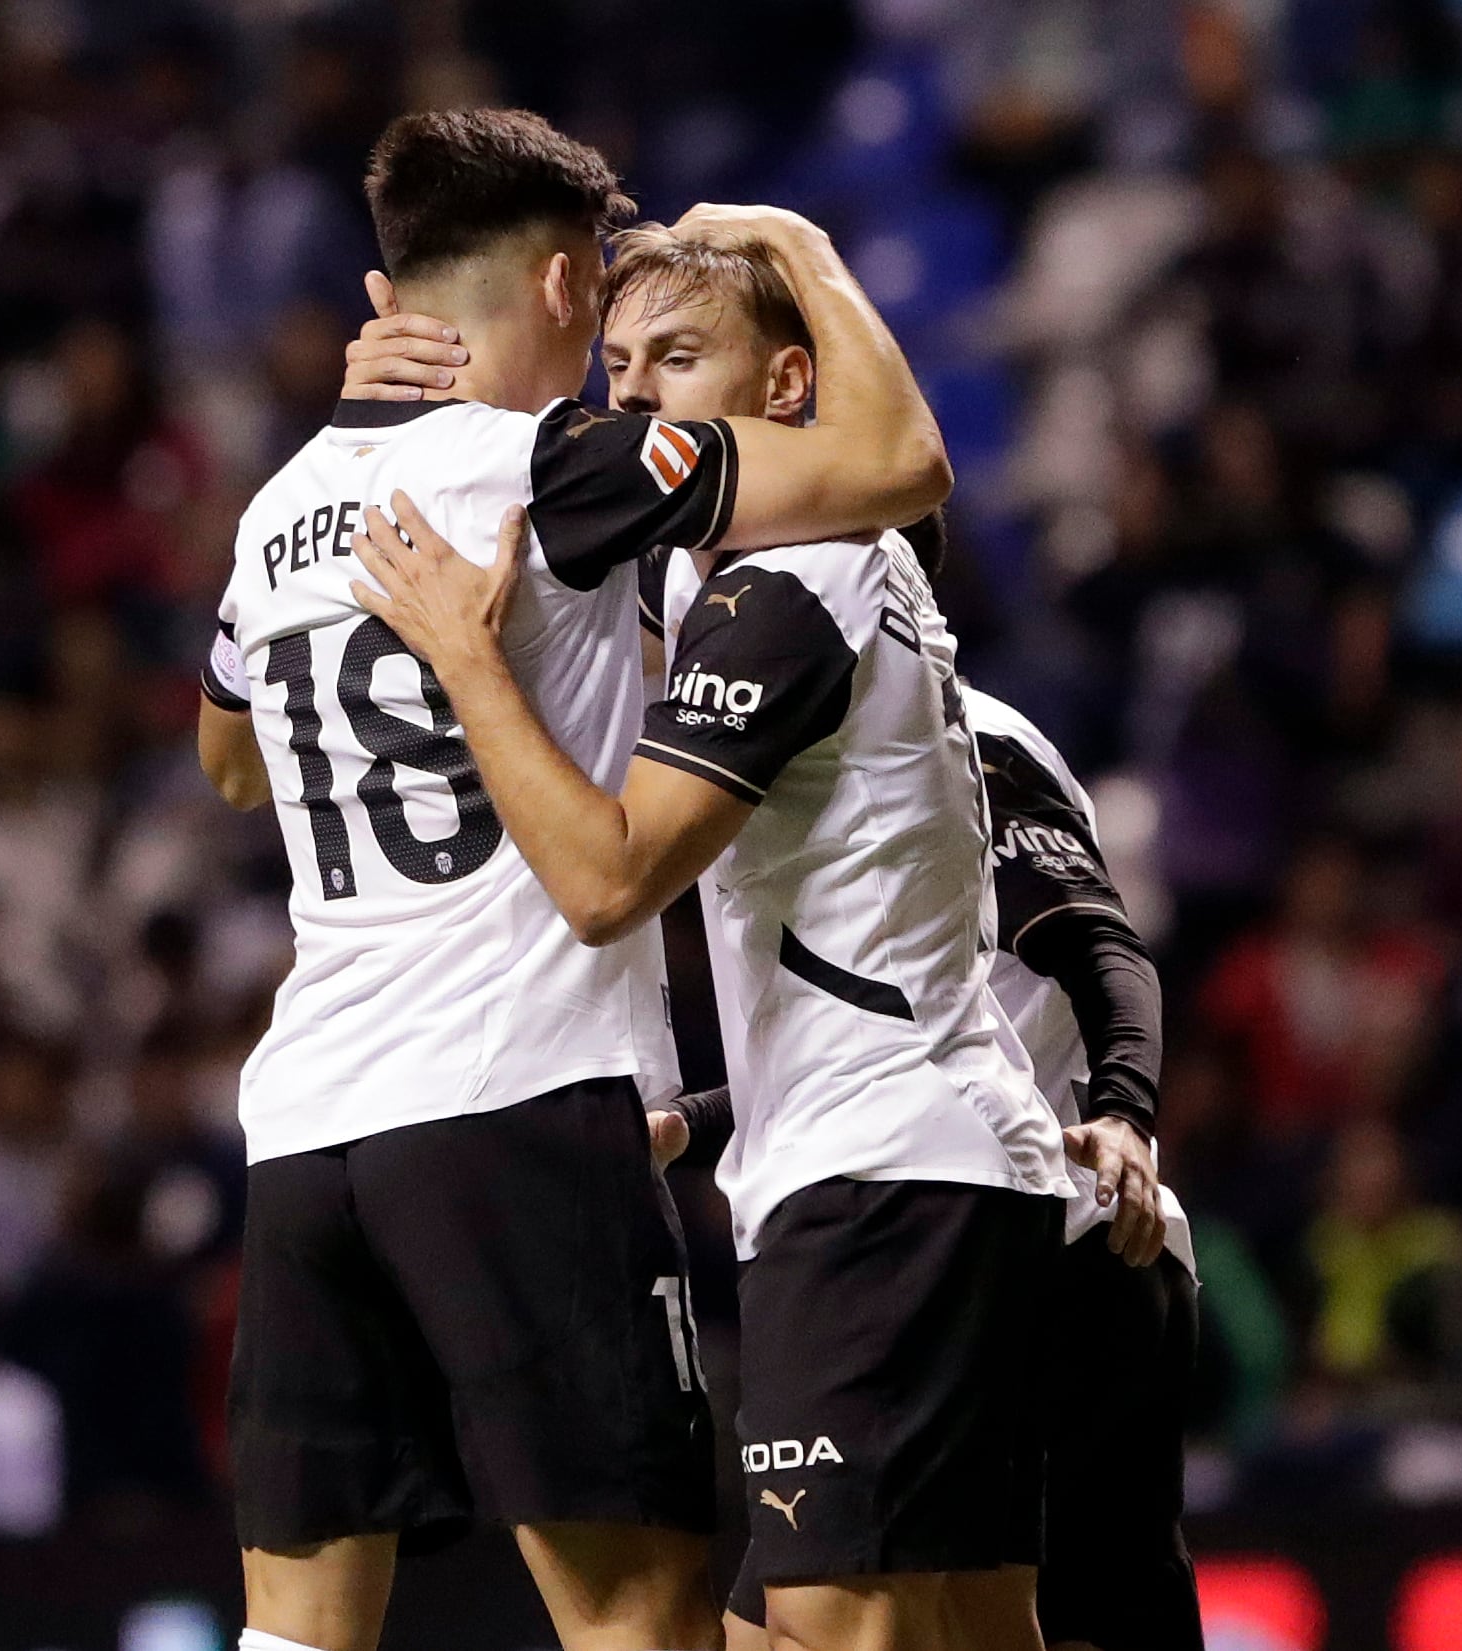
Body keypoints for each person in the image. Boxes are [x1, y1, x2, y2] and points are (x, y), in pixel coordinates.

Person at [353, 229, 1200, 1651]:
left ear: (794, 395)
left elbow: (607, 878)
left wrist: (459, 654)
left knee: (825, 1634)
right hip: (925, 1166)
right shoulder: (734, 599)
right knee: (961, 1628)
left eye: (677, 364)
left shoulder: (796, 587)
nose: (636, 405)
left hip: (894, 1183)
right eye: (621, 372)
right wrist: (416, 402)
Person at [194, 109, 952, 1651]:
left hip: (307, 1126)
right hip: (516, 1095)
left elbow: (230, 761)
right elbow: (896, 466)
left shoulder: (270, 511)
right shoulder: (549, 467)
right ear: (557, 285)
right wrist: (800, 244)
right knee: (638, 1615)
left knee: (295, 1626)